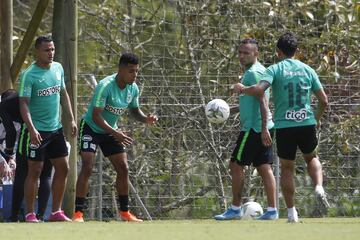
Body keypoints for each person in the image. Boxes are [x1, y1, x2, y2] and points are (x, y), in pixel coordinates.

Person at [235, 32, 329, 222]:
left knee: (287, 168)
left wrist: (243, 89)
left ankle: (292, 212)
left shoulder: (275, 70)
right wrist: (316, 118)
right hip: (306, 122)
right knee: (312, 158)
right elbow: (324, 100)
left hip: (285, 125)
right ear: (297, 51)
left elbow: (260, 90)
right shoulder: (308, 70)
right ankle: (318, 186)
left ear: (278, 52)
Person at [72, 53, 158, 222]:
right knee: (88, 166)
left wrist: (145, 119)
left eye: (137, 71)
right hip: (91, 128)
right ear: (121, 69)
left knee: (123, 168)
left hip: (111, 131)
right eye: (131, 71)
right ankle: (78, 213)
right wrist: (115, 133)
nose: (135, 75)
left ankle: (125, 213)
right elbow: (96, 116)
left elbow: (134, 111)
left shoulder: (133, 88)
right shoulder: (105, 86)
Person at [214, 39, 278, 221]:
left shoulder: (252, 74)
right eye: (240, 52)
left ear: (256, 53)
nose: (242, 56)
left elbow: (262, 100)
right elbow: (251, 102)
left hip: (254, 129)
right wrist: (226, 111)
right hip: (264, 126)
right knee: (265, 167)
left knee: (235, 164)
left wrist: (263, 128)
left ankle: (235, 208)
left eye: (246, 53)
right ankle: (272, 211)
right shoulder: (258, 71)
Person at [18, 35, 77, 222]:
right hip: (37, 131)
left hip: (56, 129)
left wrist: (71, 119)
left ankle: (56, 212)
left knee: (64, 168)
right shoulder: (29, 75)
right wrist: (32, 129)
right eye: (46, 50)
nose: (51, 53)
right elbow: (23, 104)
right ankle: (29, 213)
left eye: (52, 49)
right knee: (35, 170)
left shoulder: (58, 68)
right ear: (37, 52)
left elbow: (63, 93)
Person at [0, 89, 53, 222]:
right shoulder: (34, 99)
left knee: (23, 173)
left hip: (36, 132)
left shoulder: (6, 107)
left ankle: (17, 215)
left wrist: (9, 157)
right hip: (49, 129)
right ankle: (38, 215)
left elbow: (12, 133)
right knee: (44, 173)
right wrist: (6, 159)